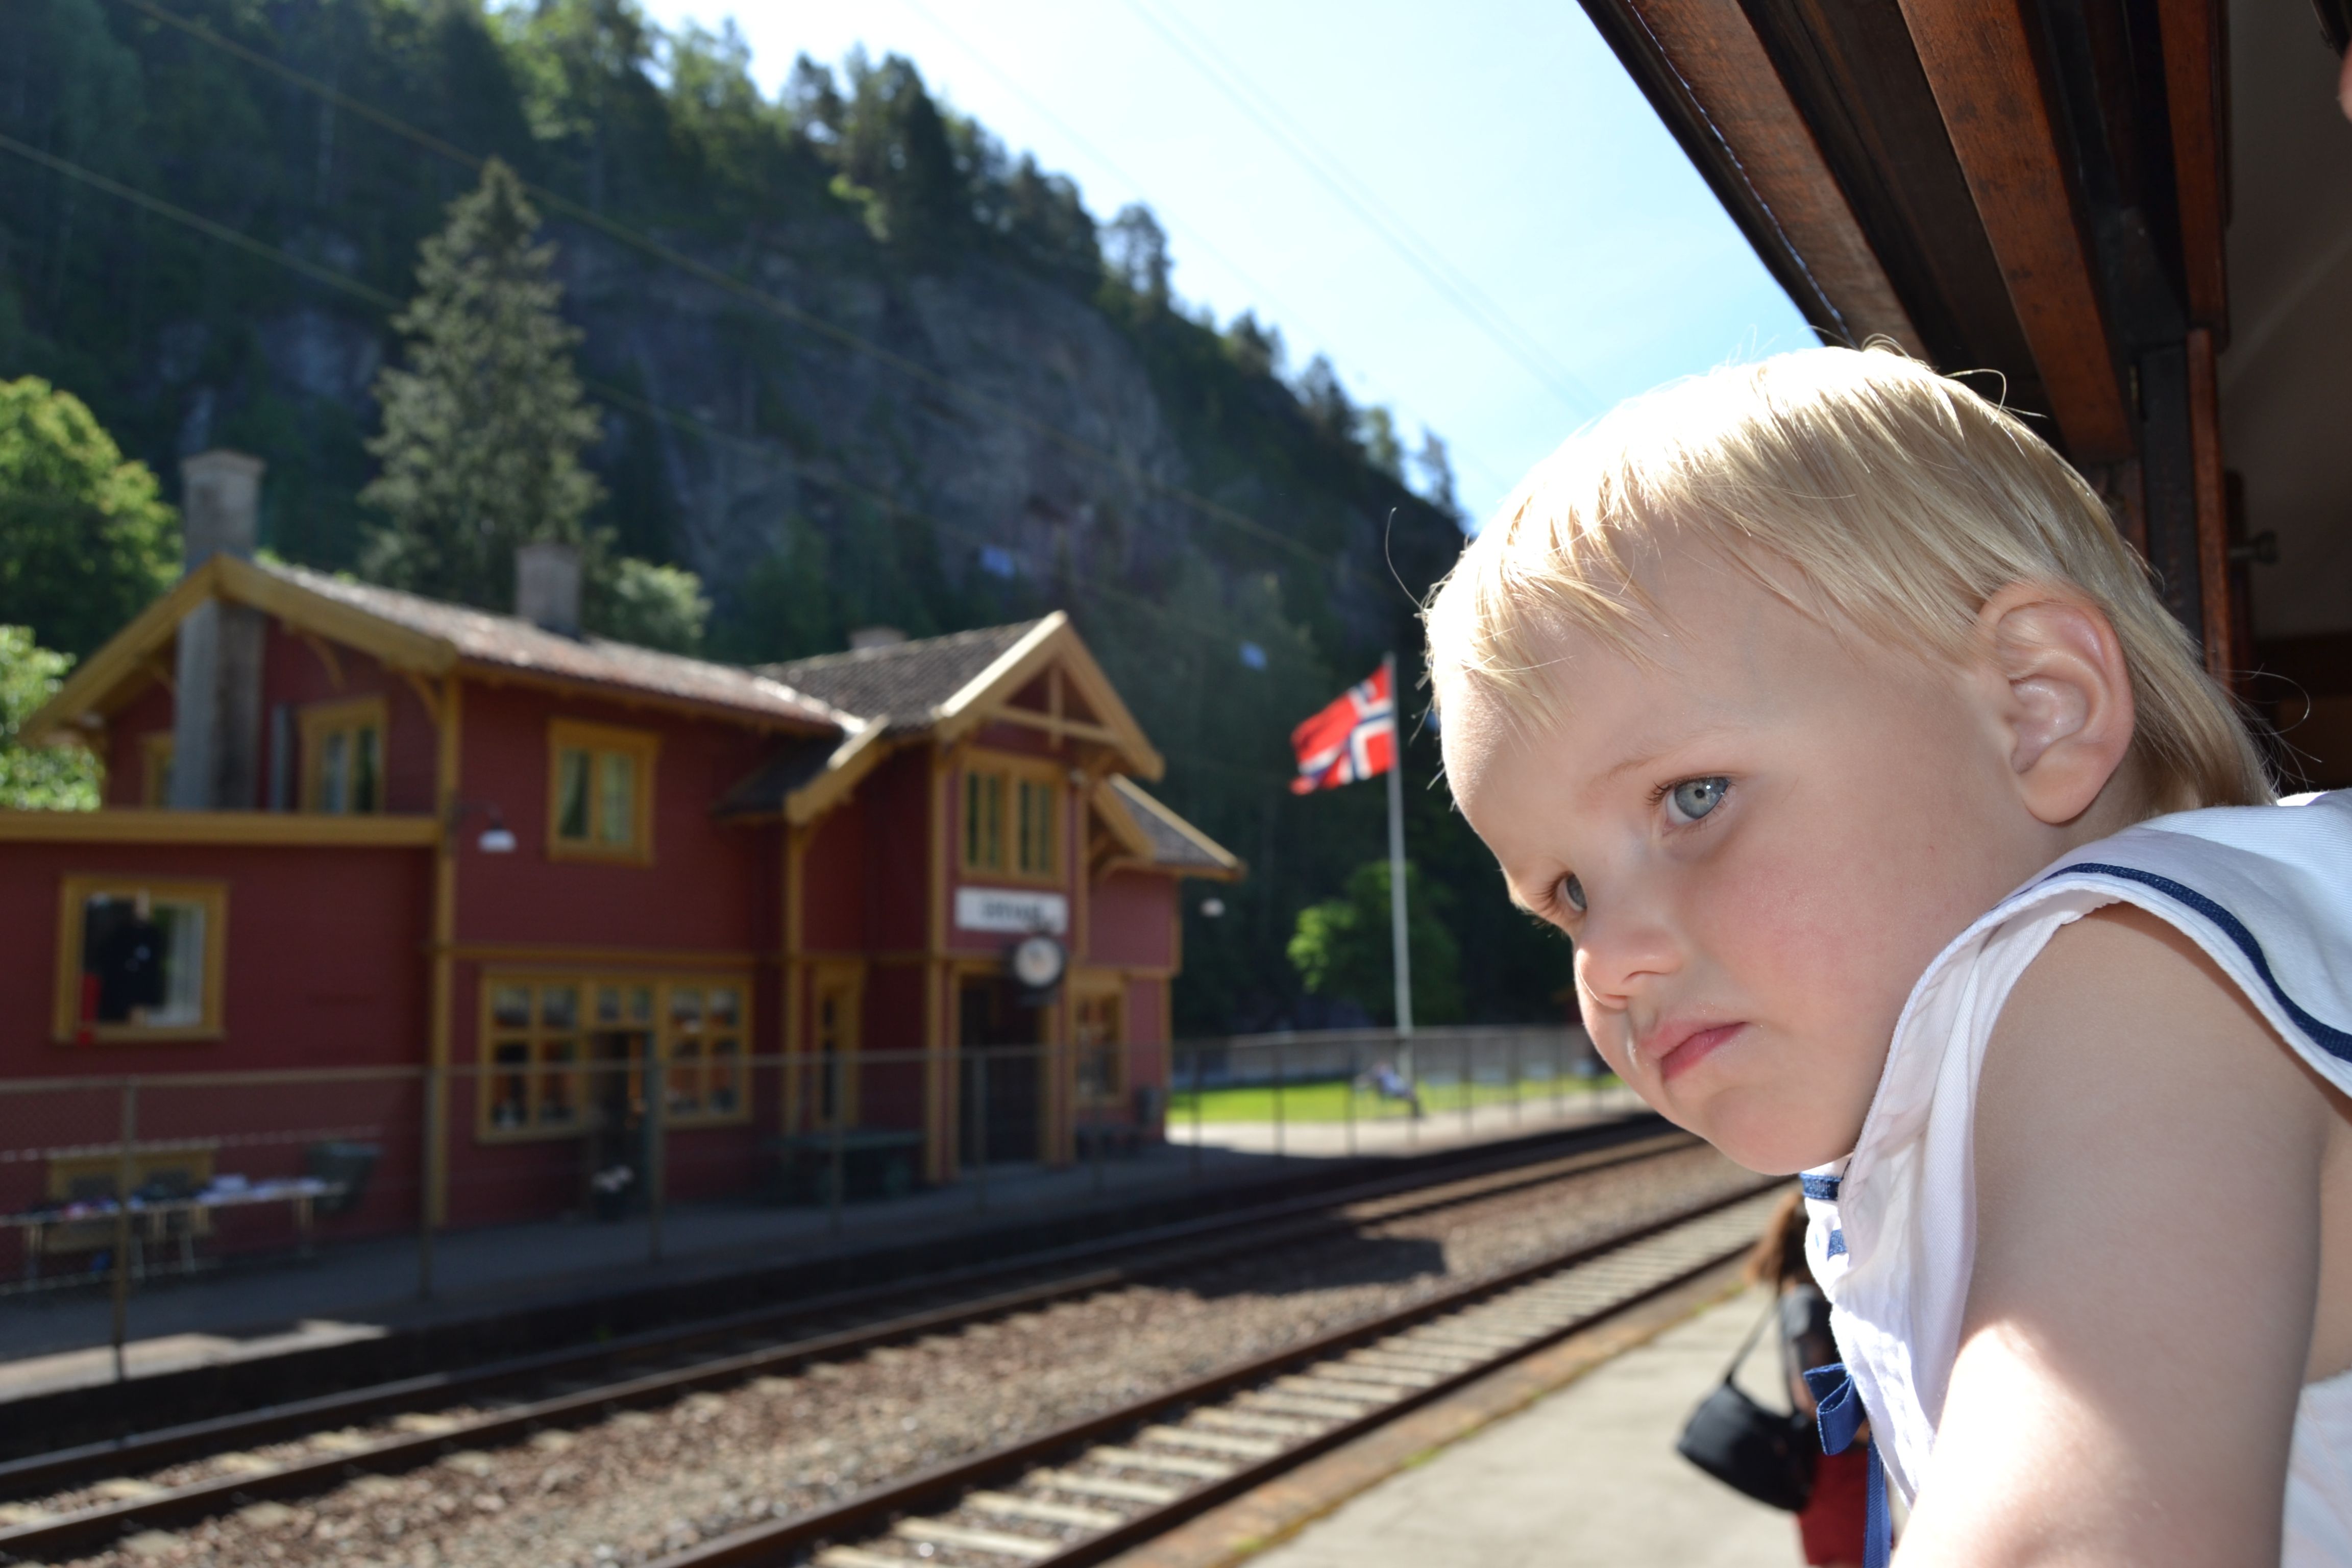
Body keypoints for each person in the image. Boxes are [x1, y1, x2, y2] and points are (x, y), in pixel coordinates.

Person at [1423, 345, 2352, 1565]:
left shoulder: (2126, 972)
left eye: (1692, 795)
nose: (1611, 961)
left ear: (2036, 703)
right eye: (1565, 894)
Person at [1749, 1189, 1869, 1568]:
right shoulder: (1808, 1301)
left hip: (1836, 1462)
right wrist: (1868, 1432)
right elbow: (1809, 1393)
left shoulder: (1802, 1296)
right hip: (1833, 1462)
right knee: (1850, 1554)